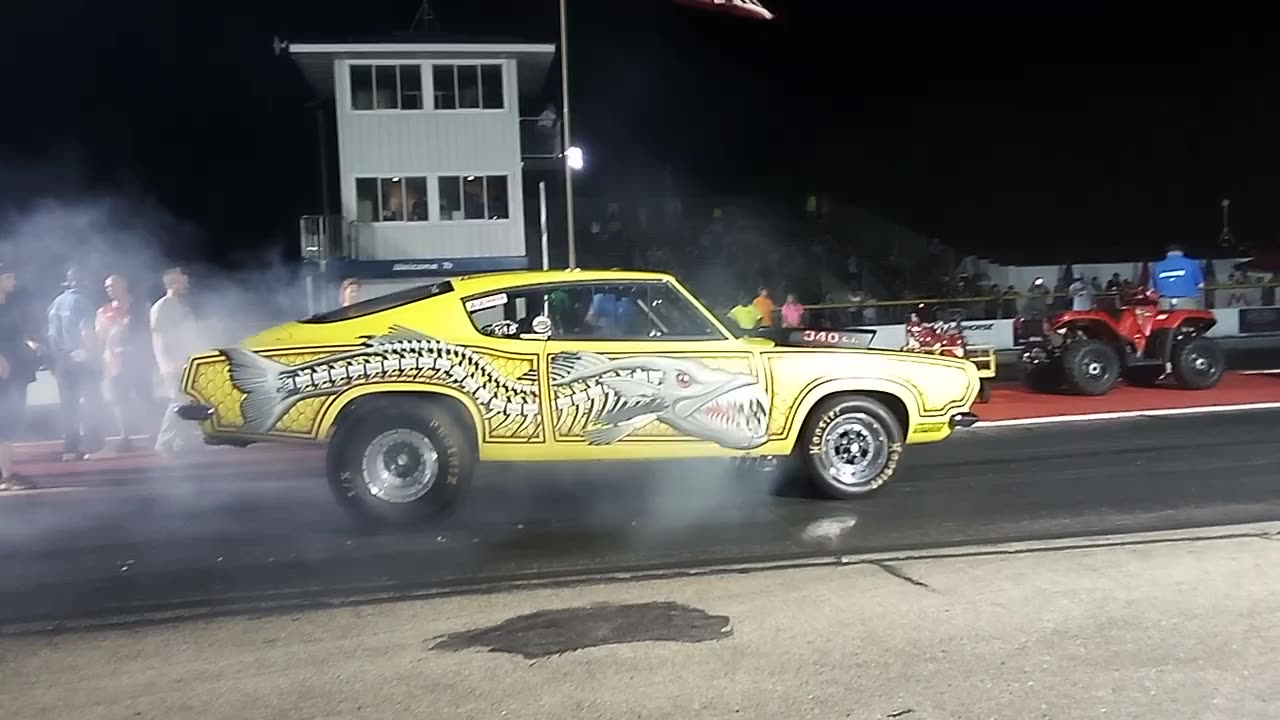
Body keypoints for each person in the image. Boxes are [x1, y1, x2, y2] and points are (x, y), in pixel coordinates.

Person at [46, 266, 105, 461]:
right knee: (92, 400)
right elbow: (86, 331)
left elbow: (51, 335)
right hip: (82, 358)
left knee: (68, 405)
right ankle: (94, 446)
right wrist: (95, 356)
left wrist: (58, 359)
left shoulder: (55, 303)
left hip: (62, 359)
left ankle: (69, 448)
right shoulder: (81, 302)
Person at [95, 274, 154, 454]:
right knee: (119, 401)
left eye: (112, 286)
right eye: (107, 287)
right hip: (115, 362)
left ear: (124, 285)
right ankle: (125, 436)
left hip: (138, 359)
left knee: (145, 397)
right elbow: (99, 337)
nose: (109, 290)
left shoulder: (141, 307)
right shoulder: (103, 311)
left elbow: (150, 331)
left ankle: (153, 433)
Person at [151, 267, 200, 457]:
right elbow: (159, 336)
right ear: (173, 283)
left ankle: (181, 441)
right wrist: (166, 361)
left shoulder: (181, 306)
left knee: (189, 399)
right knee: (179, 400)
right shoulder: (163, 306)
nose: (186, 282)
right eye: (183, 280)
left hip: (185, 359)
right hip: (173, 362)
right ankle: (164, 441)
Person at [0, 263, 39, 490]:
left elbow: (15, 335)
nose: (13, 282)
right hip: (4, 372)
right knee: (4, 423)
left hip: (16, 371)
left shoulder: (9, 305)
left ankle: (7, 472)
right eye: (9, 277)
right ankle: (6, 476)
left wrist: (30, 344)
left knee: (9, 423)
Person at [1152, 244, 1205, 310]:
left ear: (1167, 253)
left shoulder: (1157, 266)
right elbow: (1201, 285)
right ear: (1182, 252)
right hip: (1186, 301)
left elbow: (1153, 289)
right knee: (1189, 320)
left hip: (1164, 303)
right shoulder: (1192, 263)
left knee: (1165, 320)